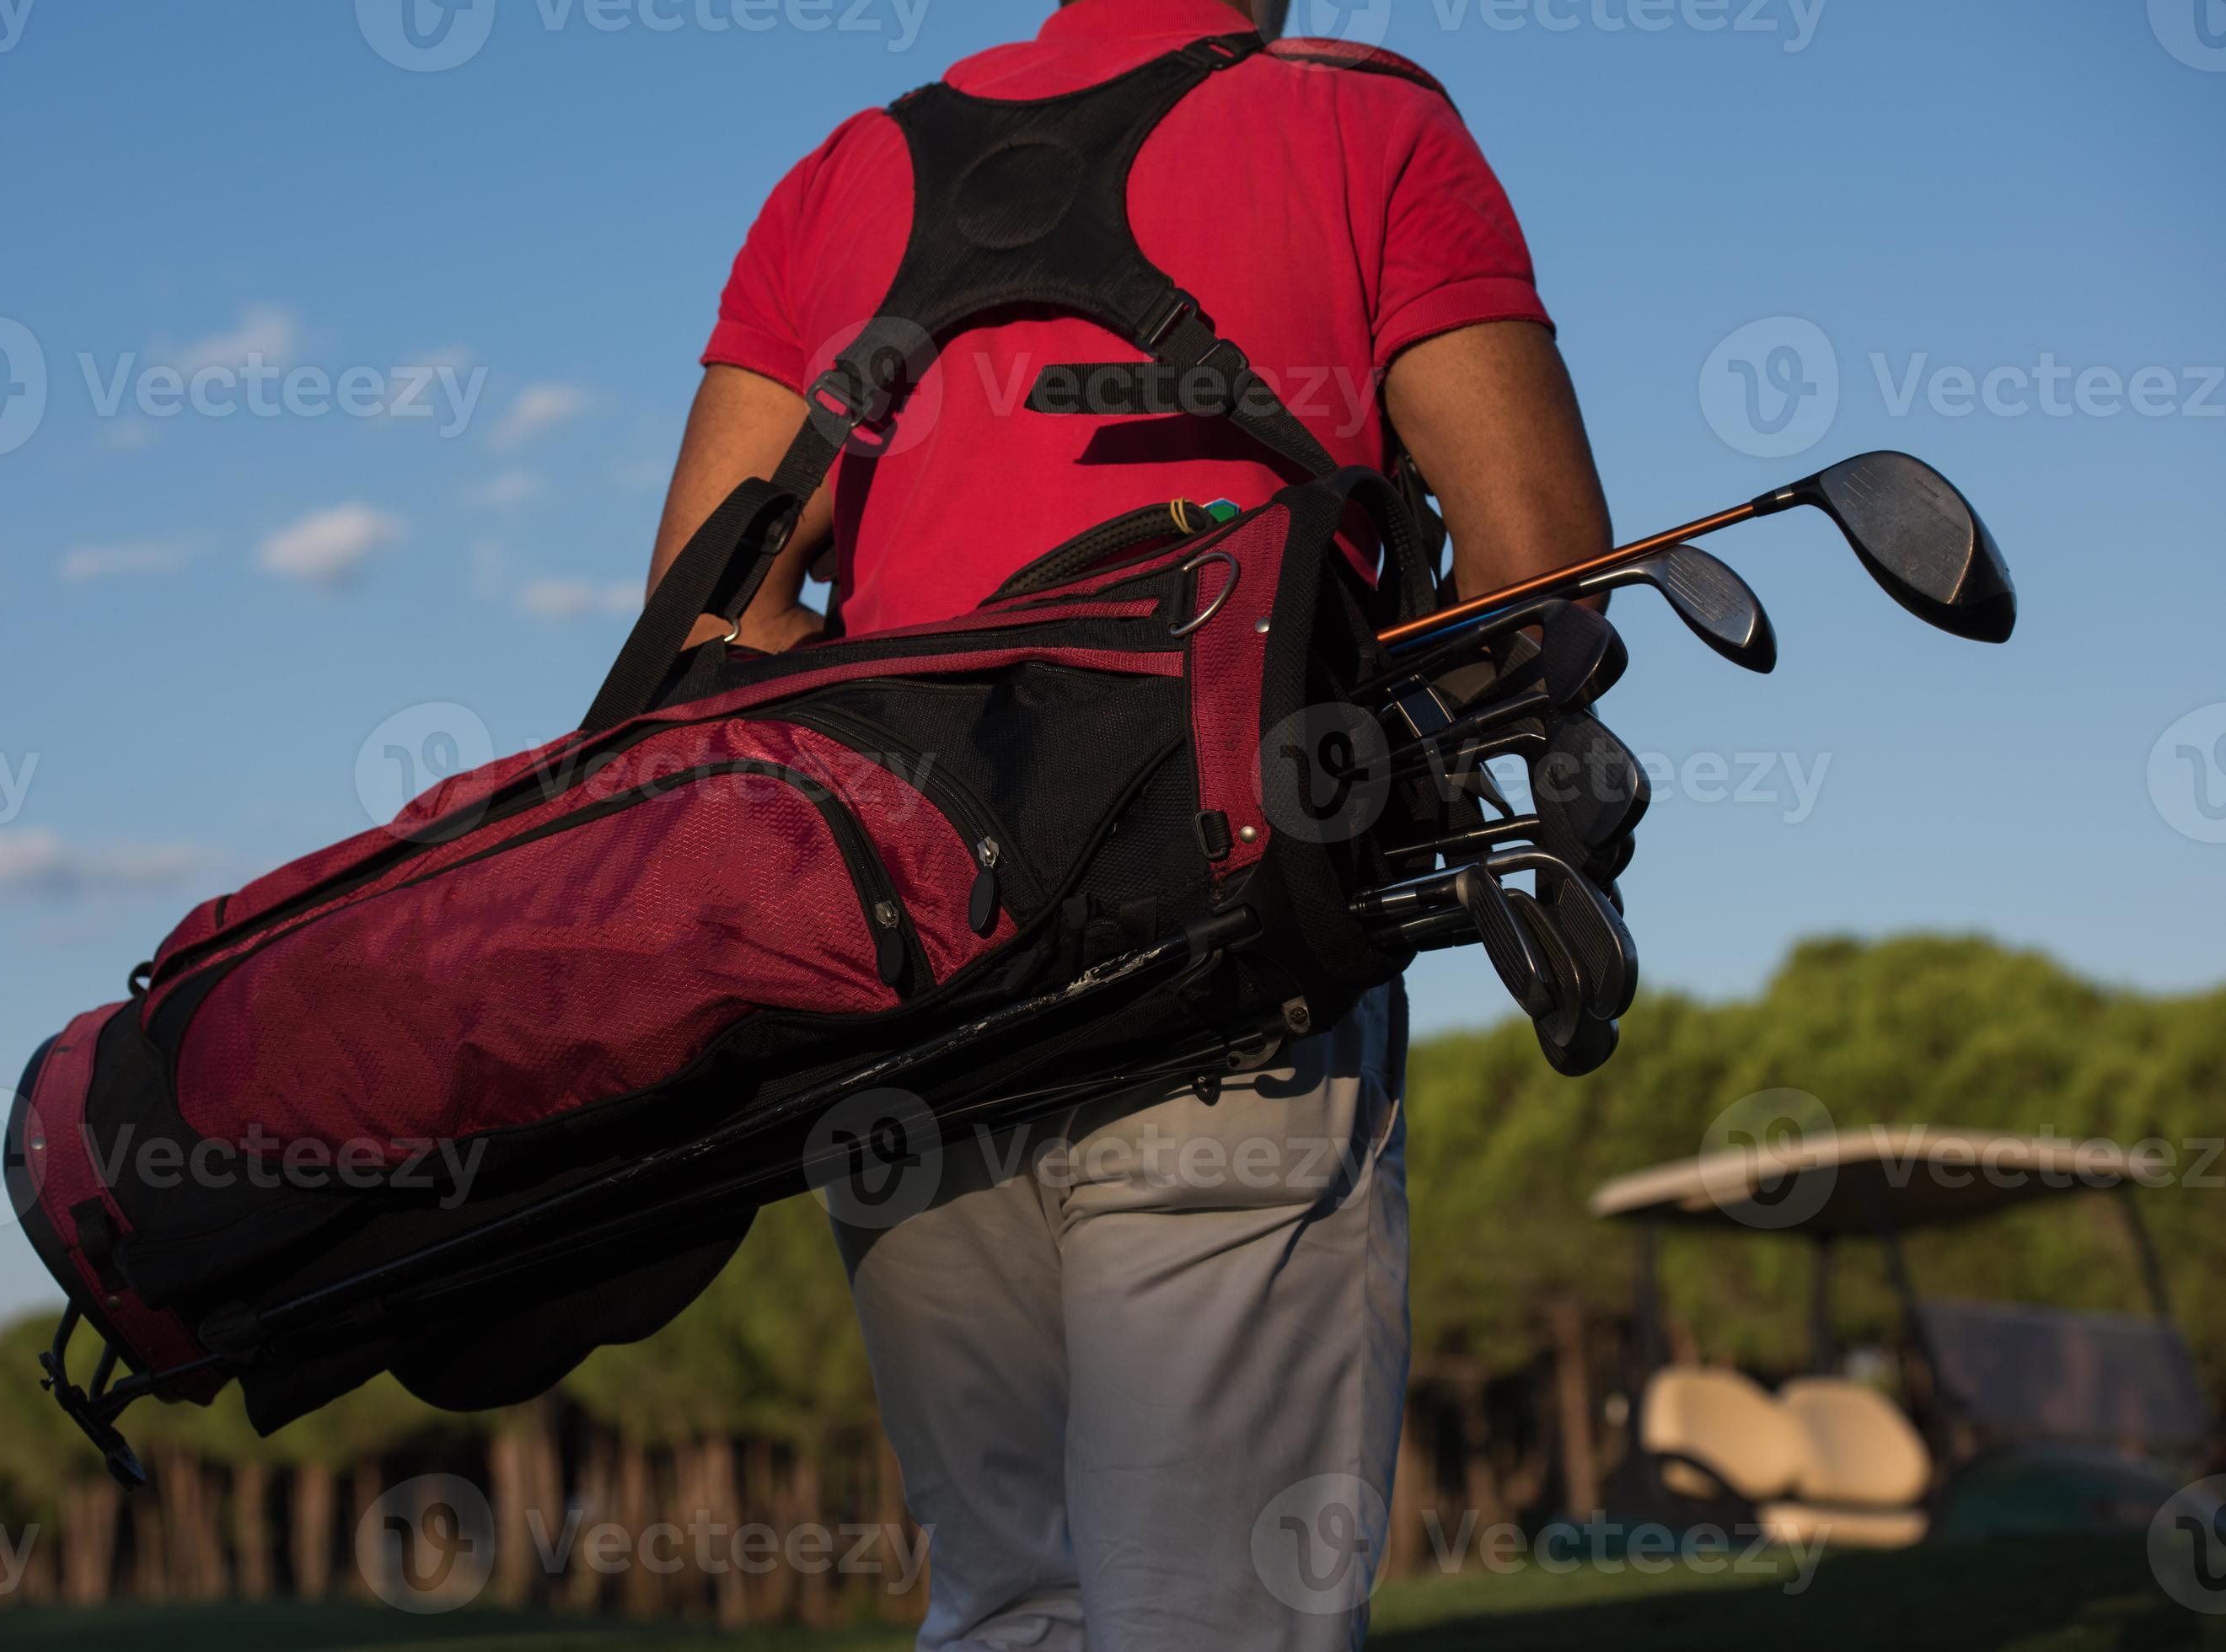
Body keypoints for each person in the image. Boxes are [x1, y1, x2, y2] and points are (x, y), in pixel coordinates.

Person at [644, 2, 1611, 1645]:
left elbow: (702, 636)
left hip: (907, 988)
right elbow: (1541, 586)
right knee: (1220, 1602)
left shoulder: (839, 178)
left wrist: (937, 737)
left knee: (1010, 1597)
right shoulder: (1366, 122)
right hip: (1232, 949)